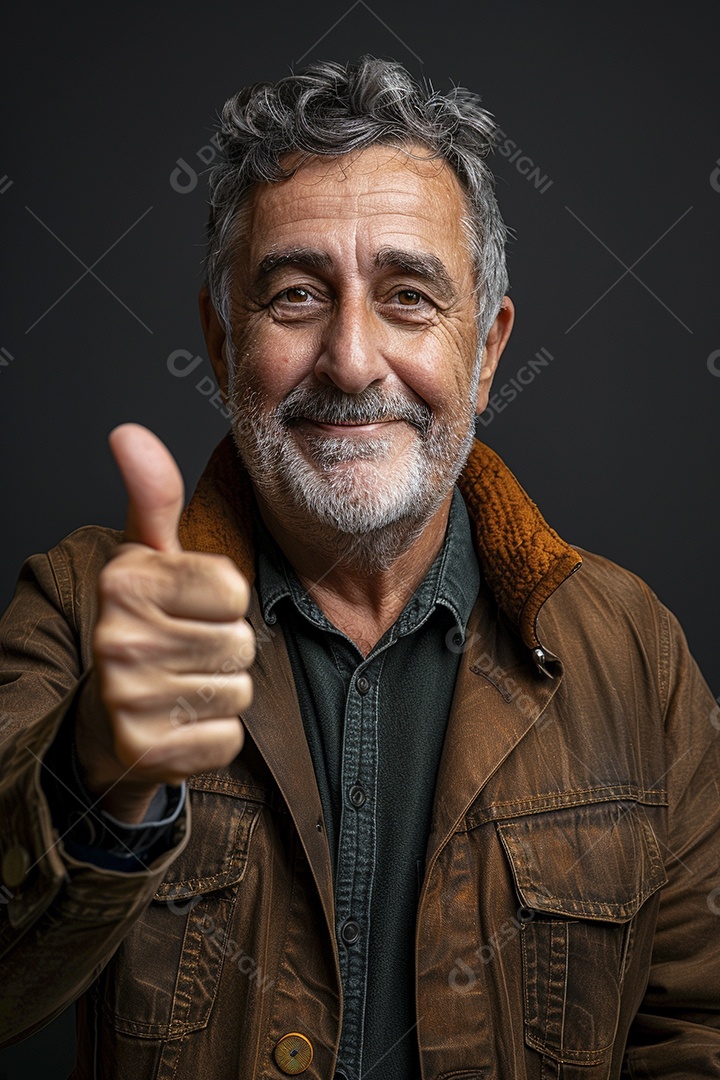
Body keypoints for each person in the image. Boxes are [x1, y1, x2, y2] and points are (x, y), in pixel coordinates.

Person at [0, 56, 718, 1080]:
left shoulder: (634, 651)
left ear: (486, 351)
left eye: (408, 296)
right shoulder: (81, 613)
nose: (350, 360)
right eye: (295, 295)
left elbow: (699, 1028)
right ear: (219, 343)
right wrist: (94, 777)